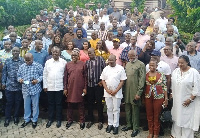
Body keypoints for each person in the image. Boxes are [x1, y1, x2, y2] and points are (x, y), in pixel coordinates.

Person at [171, 55, 200, 138]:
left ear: (187, 62)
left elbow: (197, 88)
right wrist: (172, 94)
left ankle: (186, 136)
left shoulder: (193, 72)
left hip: (188, 101)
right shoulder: (175, 71)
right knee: (177, 117)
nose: (180, 64)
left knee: (187, 119)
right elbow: (173, 85)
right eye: (179, 63)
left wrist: (190, 99)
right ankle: (176, 135)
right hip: (177, 100)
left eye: (182, 63)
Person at [100, 54, 127, 135]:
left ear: (115, 60)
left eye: (112, 60)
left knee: (116, 109)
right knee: (109, 108)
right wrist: (107, 90)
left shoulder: (120, 68)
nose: (110, 62)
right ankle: (110, 124)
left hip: (117, 92)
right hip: (107, 92)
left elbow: (122, 81)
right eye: (109, 61)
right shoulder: (106, 69)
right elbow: (103, 80)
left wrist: (115, 91)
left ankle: (116, 125)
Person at [122, 50, 146, 137]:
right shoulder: (127, 64)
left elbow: (142, 79)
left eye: (133, 55)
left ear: (136, 55)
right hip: (127, 90)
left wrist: (139, 93)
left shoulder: (141, 64)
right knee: (127, 108)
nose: (131, 57)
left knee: (135, 110)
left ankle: (135, 128)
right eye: (129, 56)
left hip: (135, 91)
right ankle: (129, 125)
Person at [17, 53, 43, 129]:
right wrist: (20, 80)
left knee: (35, 105)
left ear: (33, 58)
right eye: (26, 60)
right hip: (25, 89)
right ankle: (26, 119)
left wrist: (37, 80)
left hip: (35, 88)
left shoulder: (38, 66)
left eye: (29, 60)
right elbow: (18, 76)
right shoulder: (22, 66)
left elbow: (42, 75)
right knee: (26, 105)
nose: (28, 62)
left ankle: (34, 120)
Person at [63, 48, 87, 130]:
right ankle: (69, 120)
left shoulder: (83, 64)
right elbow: (65, 77)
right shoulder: (68, 64)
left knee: (81, 105)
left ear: (79, 56)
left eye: (75, 55)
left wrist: (85, 88)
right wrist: (65, 88)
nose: (74, 56)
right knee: (70, 105)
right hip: (70, 88)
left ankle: (82, 121)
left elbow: (85, 77)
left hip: (80, 88)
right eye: (72, 55)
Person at [43, 47, 67, 128]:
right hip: (50, 86)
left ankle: (59, 119)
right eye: (54, 52)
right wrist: (45, 86)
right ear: (51, 53)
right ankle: (50, 119)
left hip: (60, 87)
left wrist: (65, 87)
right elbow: (45, 74)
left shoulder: (63, 62)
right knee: (50, 104)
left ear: (60, 53)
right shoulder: (48, 62)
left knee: (59, 104)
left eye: (57, 52)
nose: (55, 53)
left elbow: (66, 76)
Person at [145, 59, 168, 138]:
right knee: (149, 115)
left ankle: (156, 133)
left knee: (157, 115)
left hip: (159, 97)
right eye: (150, 65)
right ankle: (150, 132)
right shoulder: (146, 74)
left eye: (153, 65)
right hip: (148, 97)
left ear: (156, 66)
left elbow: (164, 86)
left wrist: (166, 98)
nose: (151, 67)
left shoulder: (161, 75)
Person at [2, 47, 24, 127]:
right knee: (9, 103)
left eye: (17, 51)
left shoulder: (22, 61)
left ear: (19, 52)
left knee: (17, 103)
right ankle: (7, 118)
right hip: (9, 86)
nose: (15, 52)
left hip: (19, 87)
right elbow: (4, 73)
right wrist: (3, 83)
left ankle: (16, 117)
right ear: (12, 52)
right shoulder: (7, 61)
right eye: (14, 51)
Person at [85, 48, 106, 130]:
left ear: (94, 52)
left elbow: (105, 70)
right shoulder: (87, 62)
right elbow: (86, 73)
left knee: (99, 103)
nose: (90, 54)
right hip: (90, 86)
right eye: (88, 53)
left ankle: (100, 120)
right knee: (90, 103)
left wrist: (102, 81)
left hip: (98, 85)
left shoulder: (100, 59)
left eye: (91, 53)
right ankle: (90, 120)